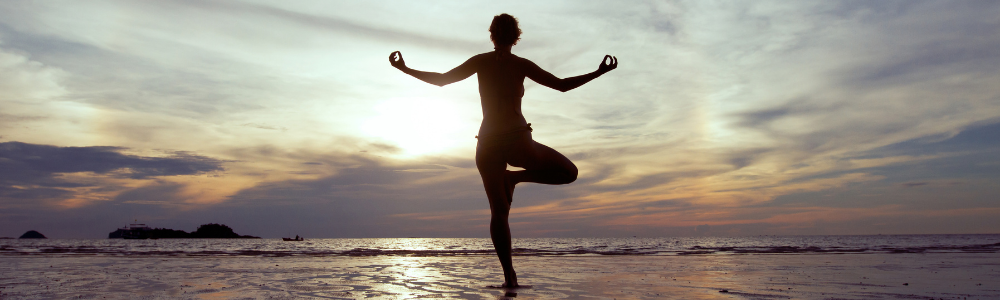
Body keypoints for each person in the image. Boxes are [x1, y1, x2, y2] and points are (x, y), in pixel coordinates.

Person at [389, 13, 617, 288]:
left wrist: (405, 69)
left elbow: (441, 80)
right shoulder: (520, 64)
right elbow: (561, 85)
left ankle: (509, 276)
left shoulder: (480, 61)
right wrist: (598, 72)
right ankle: (516, 178)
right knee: (569, 172)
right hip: (517, 140)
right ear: (516, 37)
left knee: (499, 212)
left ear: (492, 35)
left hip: (486, 144)